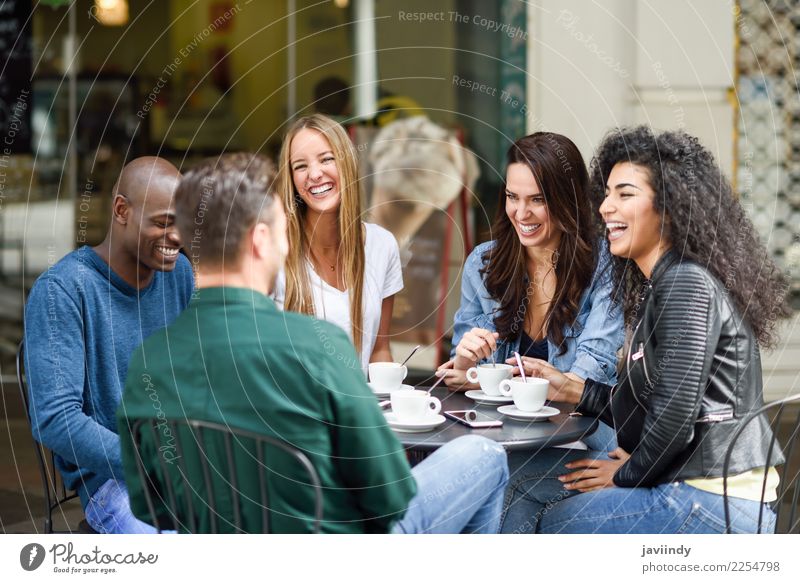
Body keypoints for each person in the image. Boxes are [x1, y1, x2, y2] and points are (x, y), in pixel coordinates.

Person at [118, 153, 508, 534]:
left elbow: (153, 508)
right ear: (259, 240)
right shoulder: (315, 348)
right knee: (484, 455)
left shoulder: (149, 363)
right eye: (283, 233)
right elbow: (390, 496)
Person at [502, 126, 790, 534]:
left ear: (669, 207)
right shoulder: (661, 285)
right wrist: (574, 390)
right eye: (606, 193)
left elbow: (673, 417)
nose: (604, 207)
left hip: (712, 501)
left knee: (552, 524)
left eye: (625, 194)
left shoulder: (686, 285)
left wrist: (626, 475)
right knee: (520, 480)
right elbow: (648, 406)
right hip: (684, 482)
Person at [24, 156, 193, 534]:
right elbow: (54, 420)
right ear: (122, 210)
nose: (178, 237)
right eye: (164, 222)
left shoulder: (179, 274)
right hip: (114, 481)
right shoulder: (63, 291)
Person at [438, 132, 624, 456]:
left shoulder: (606, 267)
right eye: (513, 197)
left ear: (568, 200)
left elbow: (585, 378)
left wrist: (484, 380)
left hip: (578, 445)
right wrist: (466, 363)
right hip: (501, 441)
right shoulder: (483, 264)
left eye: (537, 200)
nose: (521, 214)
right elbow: (462, 374)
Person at [273, 114, 402, 373]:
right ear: (292, 179)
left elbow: (379, 349)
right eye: (300, 166)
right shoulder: (273, 252)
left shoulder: (382, 245)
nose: (315, 174)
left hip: (358, 409)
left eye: (326, 159)